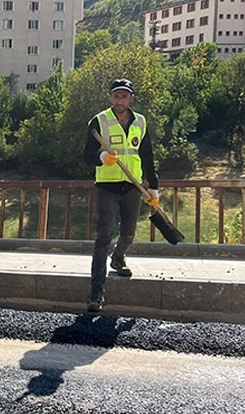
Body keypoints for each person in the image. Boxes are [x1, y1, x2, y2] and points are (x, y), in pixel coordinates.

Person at [83, 79, 159, 312]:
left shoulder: (141, 122)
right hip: (107, 186)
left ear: (131, 98)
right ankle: (96, 294)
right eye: (116, 96)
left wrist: (152, 188)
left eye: (124, 96)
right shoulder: (99, 121)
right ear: (110, 98)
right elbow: (87, 155)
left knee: (128, 233)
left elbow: (147, 155)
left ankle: (118, 258)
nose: (120, 100)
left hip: (133, 187)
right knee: (104, 236)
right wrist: (102, 157)